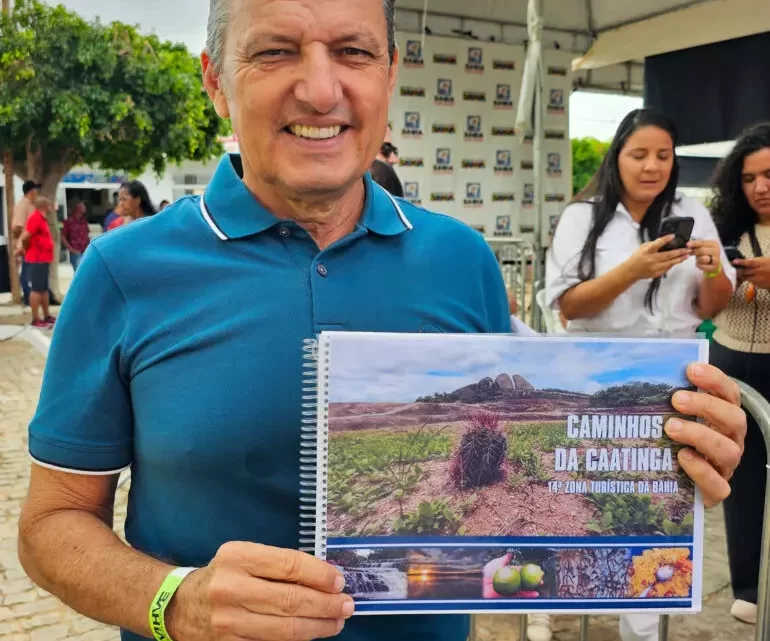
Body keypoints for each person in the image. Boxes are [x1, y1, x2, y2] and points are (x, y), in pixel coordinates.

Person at [18, 6, 745, 641]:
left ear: (389, 74)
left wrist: (671, 451)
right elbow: (50, 529)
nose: (321, 87)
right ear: (215, 80)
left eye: (353, 51)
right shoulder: (123, 269)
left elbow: (533, 445)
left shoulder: (461, 259)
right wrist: (175, 602)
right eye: (275, 50)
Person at [544, 108, 736, 641]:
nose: (652, 166)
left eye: (663, 155)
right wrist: (632, 270)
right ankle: (563, 605)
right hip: (600, 380)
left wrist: (713, 267)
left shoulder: (690, 209)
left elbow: (711, 304)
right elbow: (569, 307)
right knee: (591, 497)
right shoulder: (583, 217)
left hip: (673, 380)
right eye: (639, 154)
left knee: (658, 507)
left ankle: (644, 629)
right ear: (616, 157)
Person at [709, 122, 770, 626]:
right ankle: (748, 585)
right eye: (749, 178)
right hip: (728, 359)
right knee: (739, 476)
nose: (760, 188)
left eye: (769, 175)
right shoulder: (722, 228)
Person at [16, 196, 56, 329]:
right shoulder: (35, 218)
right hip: (37, 258)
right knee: (37, 289)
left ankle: (46, 315)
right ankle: (35, 318)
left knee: (44, 289)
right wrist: (20, 245)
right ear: (45, 206)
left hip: (44, 258)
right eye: (50, 205)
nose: (52, 208)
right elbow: (25, 234)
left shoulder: (42, 219)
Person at [12, 180, 42, 306]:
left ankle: (33, 298)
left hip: (35, 246)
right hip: (27, 245)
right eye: (35, 190)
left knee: (32, 272)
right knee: (27, 273)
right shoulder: (22, 205)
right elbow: (17, 227)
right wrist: (23, 244)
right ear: (31, 192)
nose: (37, 193)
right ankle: (28, 299)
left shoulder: (32, 205)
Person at [61, 201, 91, 272]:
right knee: (79, 273)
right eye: (82, 205)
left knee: (87, 273)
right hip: (76, 252)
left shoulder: (84, 221)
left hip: (86, 251)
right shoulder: (68, 221)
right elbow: (63, 237)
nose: (84, 207)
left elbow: (87, 235)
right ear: (77, 207)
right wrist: (71, 249)